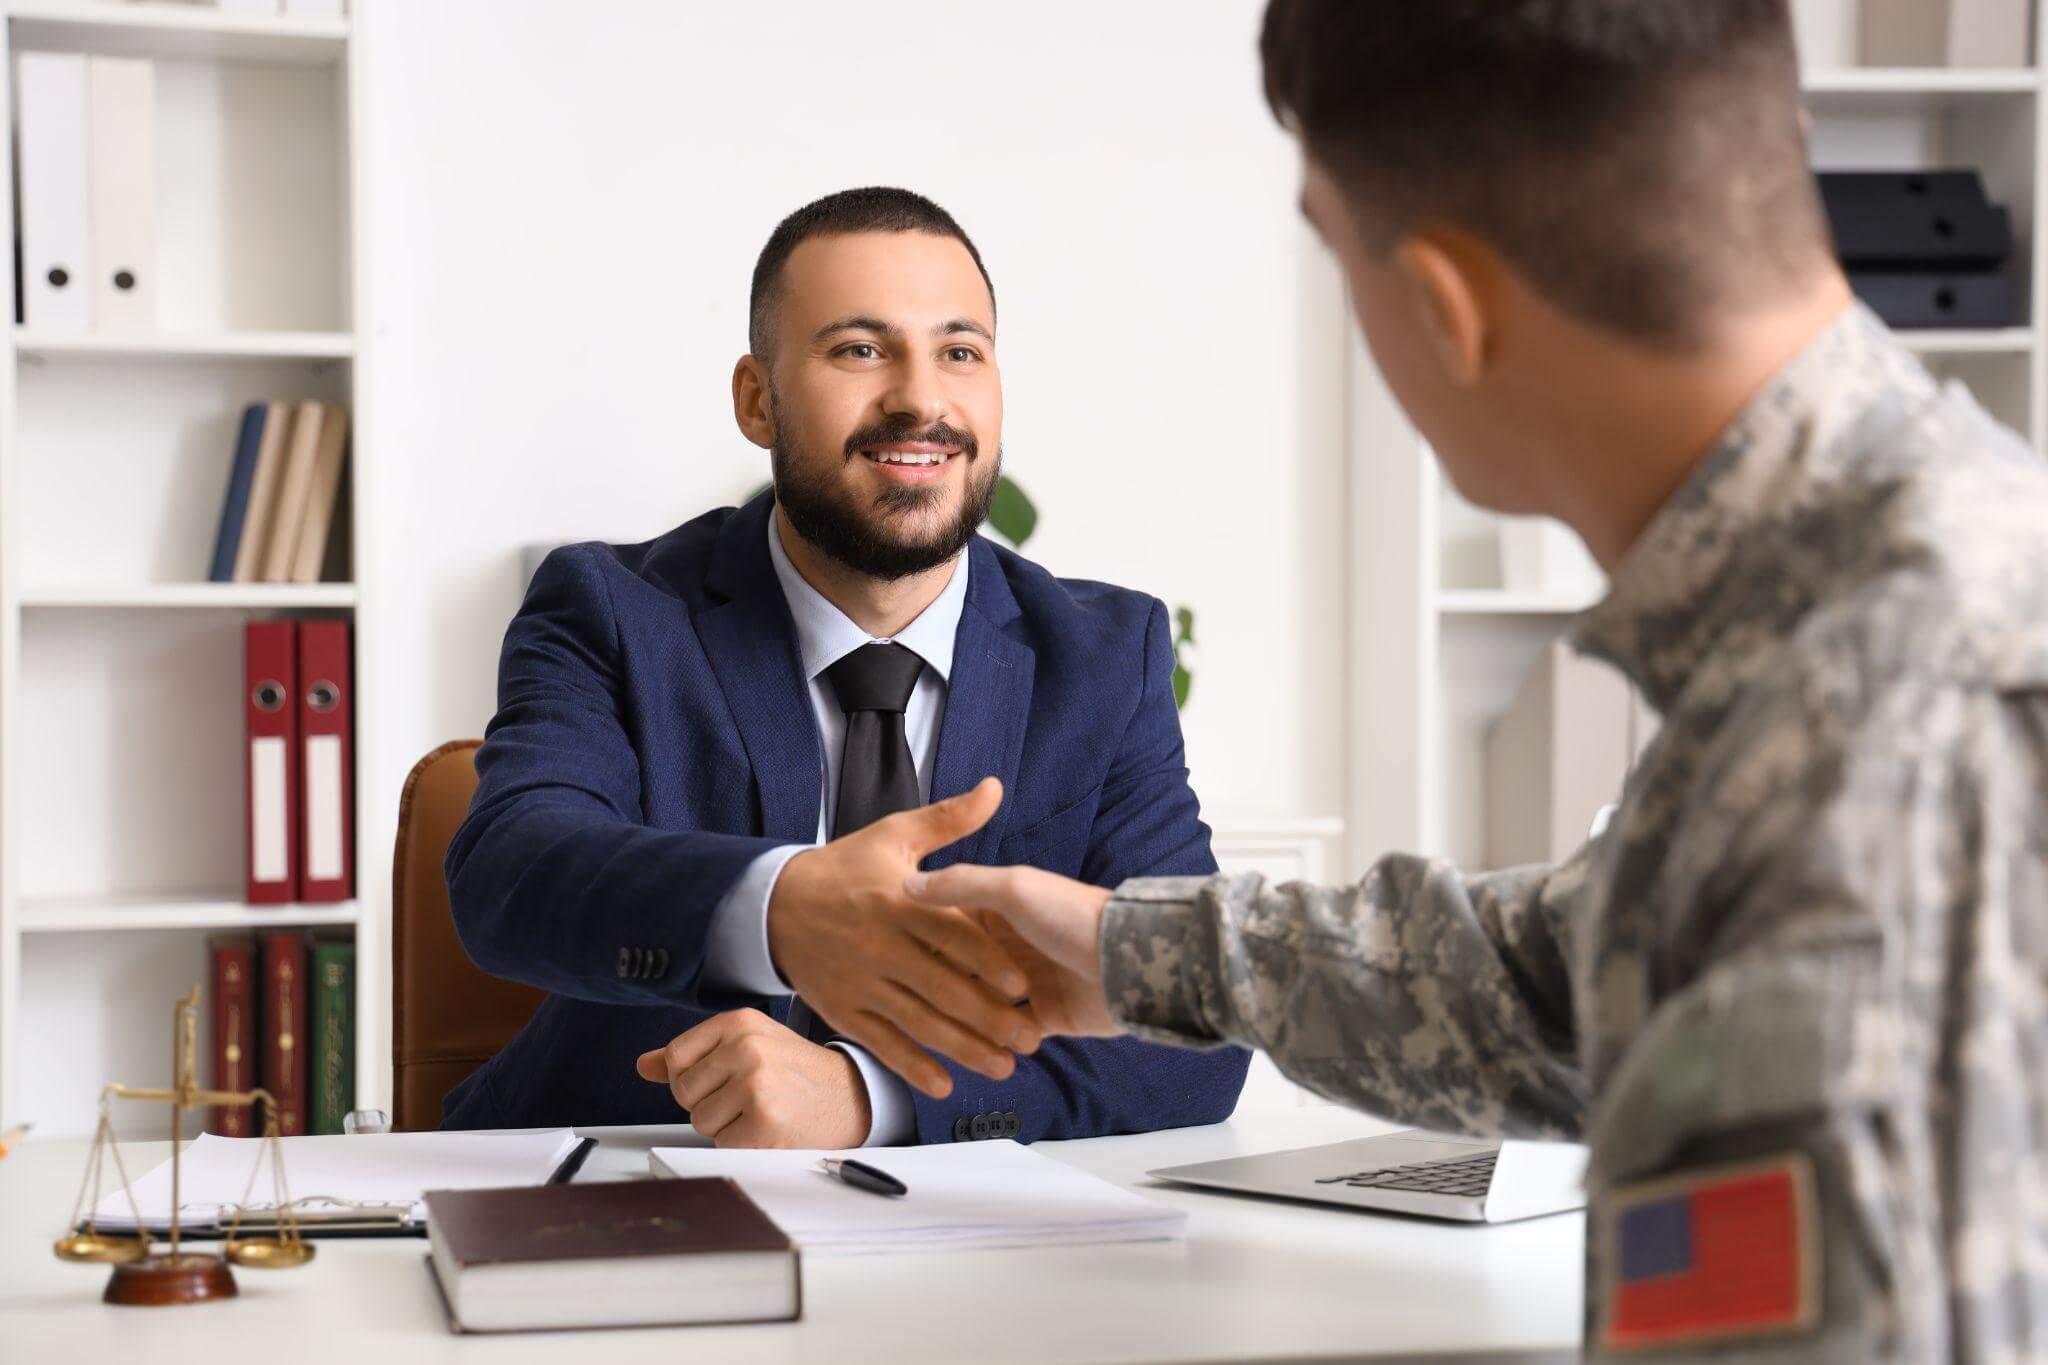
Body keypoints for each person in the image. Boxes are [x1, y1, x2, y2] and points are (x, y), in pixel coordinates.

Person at [879, 3, 2048, 1359]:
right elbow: (1582, 980)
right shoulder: (1886, 578)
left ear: (1446, 308)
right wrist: (1128, 953)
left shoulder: (1876, 736)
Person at [443, 186, 1247, 1147]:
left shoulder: (1106, 656)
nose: (920, 398)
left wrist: (869, 1098)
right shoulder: (612, 611)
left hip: (974, 1242)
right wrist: (781, 909)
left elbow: (1193, 1024)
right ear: (757, 398)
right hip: (629, 1196)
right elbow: (511, 872)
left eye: (960, 352)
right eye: (860, 350)